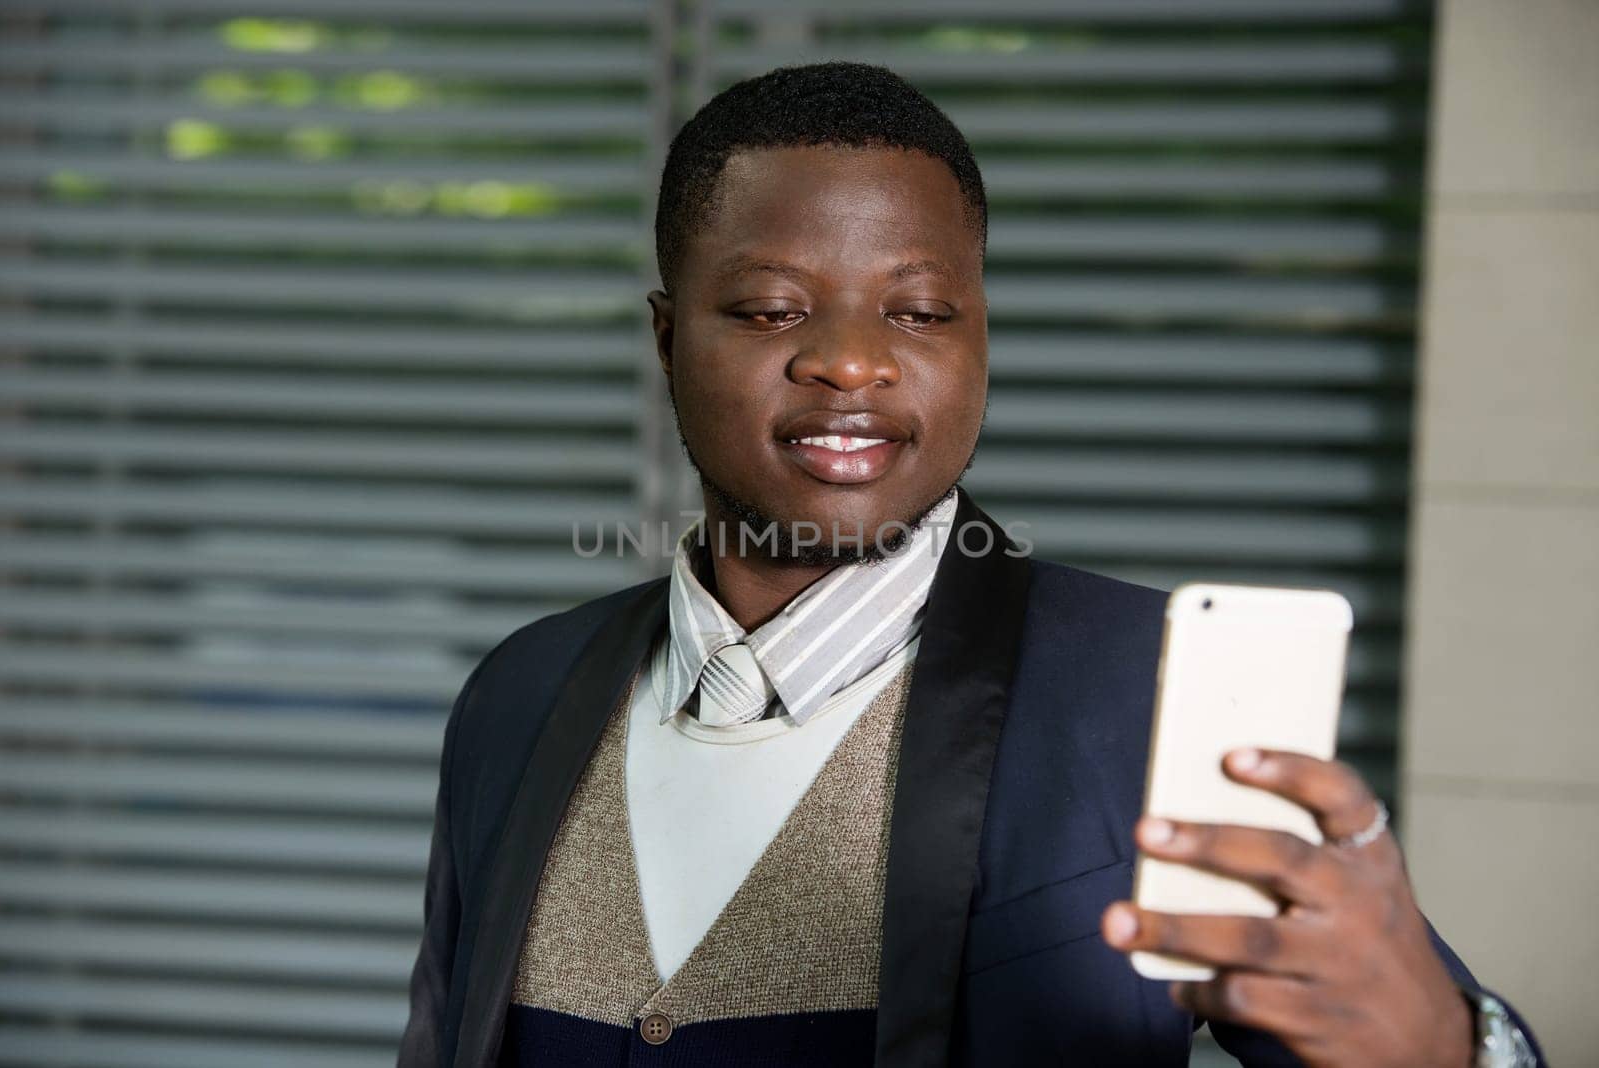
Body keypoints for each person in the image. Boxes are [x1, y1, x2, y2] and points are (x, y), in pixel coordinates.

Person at [397, 62, 1543, 1067]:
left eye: (921, 311)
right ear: (666, 337)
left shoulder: (1149, 693)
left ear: (980, 332)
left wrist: (1450, 1049)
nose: (849, 362)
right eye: (768, 309)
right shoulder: (522, 694)